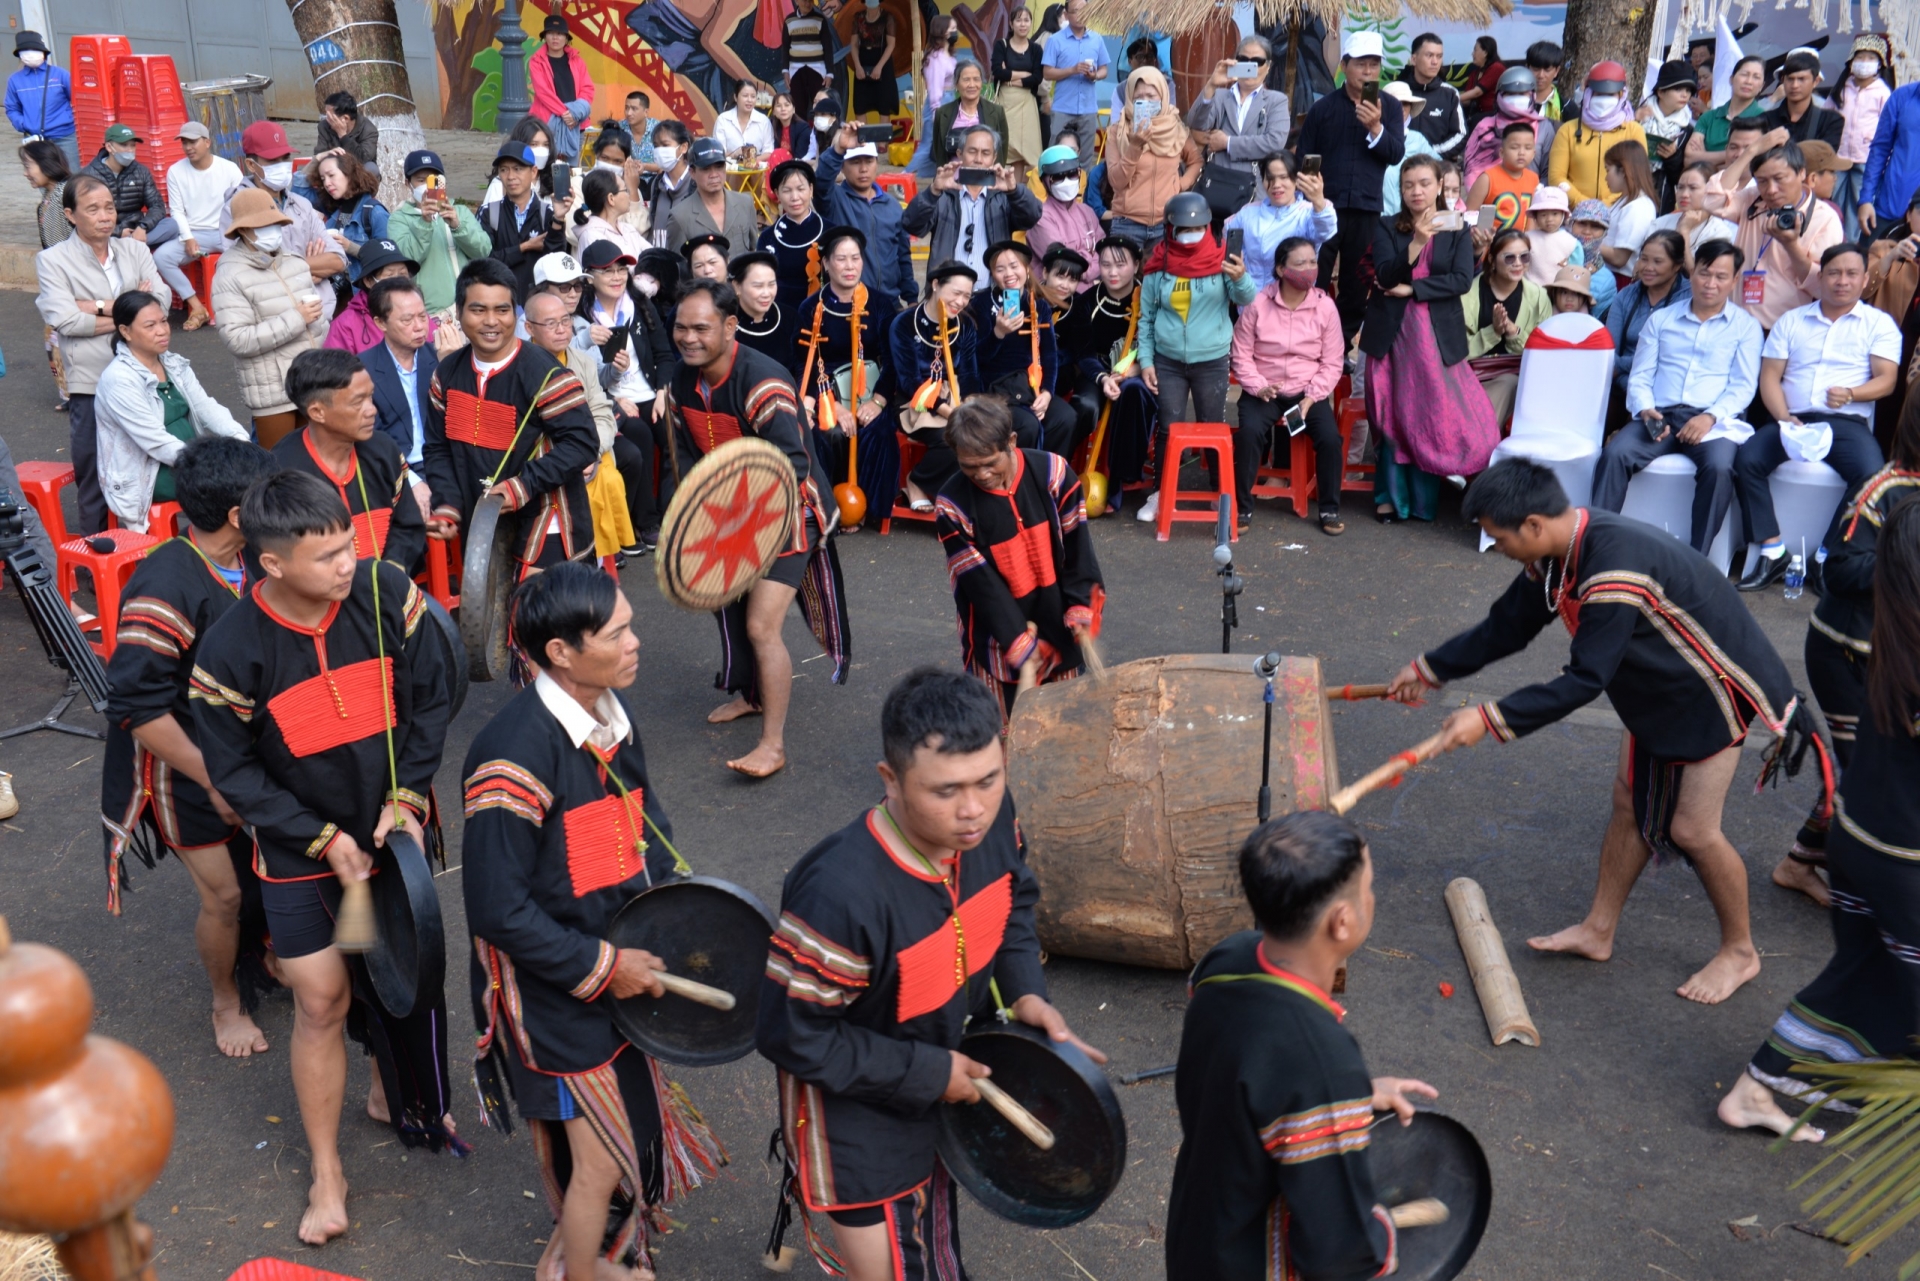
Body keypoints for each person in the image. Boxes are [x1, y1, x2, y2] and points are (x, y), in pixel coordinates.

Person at [1391, 457, 1807, 1004]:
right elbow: (1507, 626)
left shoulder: (1612, 568)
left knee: (1693, 830)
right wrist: (1432, 667)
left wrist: (1491, 718)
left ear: (1534, 525)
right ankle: (1598, 930)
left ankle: (1741, 951)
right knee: (1628, 800)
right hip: (1652, 685)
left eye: (1498, 536)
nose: (1497, 547)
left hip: (1708, 692)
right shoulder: (1560, 553)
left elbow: (1586, 678)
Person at [757, 666, 1101, 1279]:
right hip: (854, 1115)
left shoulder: (992, 821)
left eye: (989, 781)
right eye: (946, 791)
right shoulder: (839, 895)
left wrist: (1025, 992)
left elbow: (1013, 898)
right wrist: (929, 1072)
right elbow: (793, 1036)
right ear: (890, 780)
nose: (973, 811)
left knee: (934, 1248)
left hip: (942, 1068)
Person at [192, 470, 462, 1245]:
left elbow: (432, 697)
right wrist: (320, 836)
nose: (348, 565)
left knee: (397, 975)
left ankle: (392, 1087)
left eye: (349, 545)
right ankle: (327, 1169)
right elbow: (235, 774)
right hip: (302, 851)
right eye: (327, 557)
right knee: (320, 999)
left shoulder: (384, 592)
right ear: (270, 565)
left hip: (391, 831)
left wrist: (408, 794)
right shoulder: (231, 649)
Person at [461, 564, 721, 1280]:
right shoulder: (511, 757)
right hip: (554, 983)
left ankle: (579, 1254)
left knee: (619, 1138)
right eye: (619, 633)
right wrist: (607, 966)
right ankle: (583, 1270)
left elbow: (646, 828)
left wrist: (679, 917)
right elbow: (497, 908)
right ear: (560, 653)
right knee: (602, 1155)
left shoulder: (609, 713)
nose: (637, 643)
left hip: (617, 956)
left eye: (631, 624)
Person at [1717, 496, 1920, 1138]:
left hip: (1861, 840)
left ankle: (1766, 1087)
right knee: (1886, 976)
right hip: (1899, 858)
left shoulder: (1899, 631)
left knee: (1868, 971)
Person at [1165, 809, 1436, 1280]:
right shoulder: (1318, 1058)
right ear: (1342, 922)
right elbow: (1338, 1250)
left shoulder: (1226, 960)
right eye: (1368, 888)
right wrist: (1387, 1243)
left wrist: (1347, 1096)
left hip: (1199, 1232)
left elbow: (1254, 1073)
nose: (1373, 897)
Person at [100, 435, 275, 1061]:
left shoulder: (257, 555)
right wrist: (215, 779)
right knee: (223, 894)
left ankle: (267, 950)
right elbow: (138, 710)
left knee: (274, 860)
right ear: (235, 515)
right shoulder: (166, 585)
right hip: (182, 764)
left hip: (247, 746)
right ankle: (225, 1000)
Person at [668, 279, 850, 777]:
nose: (688, 337)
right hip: (730, 511)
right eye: (681, 327)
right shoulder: (680, 381)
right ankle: (751, 696)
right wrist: (694, 519)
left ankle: (773, 745)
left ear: (730, 326)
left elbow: (791, 466)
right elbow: (686, 457)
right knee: (729, 605)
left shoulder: (762, 381)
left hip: (792, 510)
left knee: (759, 624)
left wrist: (741, 523)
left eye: (701, 328)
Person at [423, 258, 599, 595]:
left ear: (515, 315)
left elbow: (582, 445)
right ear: (458, 313)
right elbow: (438, 446)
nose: (491, 321)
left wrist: (523, 485)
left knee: (542, 623)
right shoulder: (445, 375)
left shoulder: (545, 374)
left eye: (502, 310)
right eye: (478, 310)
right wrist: (447, 502)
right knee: (493, 628)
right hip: (482, 518)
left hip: (546, 517)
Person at [1735, 244, 1898, 589]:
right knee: (1747, 458)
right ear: (1820, 277)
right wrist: (1782, 417)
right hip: (1791, 417)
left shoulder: (1878, 324)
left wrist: (1853, 393)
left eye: (1852, 274)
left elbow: (1887, 380)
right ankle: (1772, 548)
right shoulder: (1792, 320)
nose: (1842, 281)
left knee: (1871, 474)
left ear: (1864, 279)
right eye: (1834, 273)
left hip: (1845, 422)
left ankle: (1826, 554)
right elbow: (1770, 377)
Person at [935, 396, 1104, 711]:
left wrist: (1082, 604)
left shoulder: (1054, 473)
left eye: (990, 463)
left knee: (1064, 727)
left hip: (1058, 620)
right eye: (969, 466)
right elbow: (982, 586)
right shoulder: (952, 504)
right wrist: (1019, 642)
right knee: (1001, 738)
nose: (982, 474)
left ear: (1011, 441)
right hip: (995, 632)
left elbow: (1079, 550)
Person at [1592, 239, 1759, 553]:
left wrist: (1709, 417)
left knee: (1720, 469)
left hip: (1711, 421)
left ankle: (1697, 557)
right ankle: (1597, 543)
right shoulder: (1662, 320)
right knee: (1615, 455)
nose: (1711, 284)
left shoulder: (1745, 328)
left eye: (1721, 277)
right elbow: (1641, 375)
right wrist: (1644, 409)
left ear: (1734, 281)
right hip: (1660, 416)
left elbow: (1743, 386)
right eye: (1704, 273)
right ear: (1691, 273)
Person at [1362, 156, 1498, 523]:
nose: (1416, 191)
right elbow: (1387, 276)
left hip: (1435, 334)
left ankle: (1433, 491)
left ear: (1440, 186)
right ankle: (1390, 497)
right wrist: (1417, 241)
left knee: (1434, 412)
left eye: (1424, 183)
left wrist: (1414, 289)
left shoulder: (1455, 228)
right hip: (1392, 336)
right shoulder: (1388, 226)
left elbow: (1460, 280)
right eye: (1409, 185)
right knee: (1392, 414)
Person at [35, 174, 164, 533]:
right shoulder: (53, 260)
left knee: (151, 464)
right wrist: (134, 311)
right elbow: (65, 320)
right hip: (91, 382)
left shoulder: (135, 249)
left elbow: (163, 303)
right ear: (71, 215)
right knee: (93, 475)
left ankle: (149, 551)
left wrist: (95, 307)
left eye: (109, 207)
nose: (105, 216)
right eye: (93, 209)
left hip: (144, 377)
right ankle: (97, 557)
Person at [1134, 193, 1256, 525]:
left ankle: (1220, 493)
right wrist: (1146, 361)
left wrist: (1240, 276)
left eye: (1198, 227)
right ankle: (1160, 493)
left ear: (1208, 227)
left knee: (1212, 427)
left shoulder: (1221, 260)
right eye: (1183, 228)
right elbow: (1146, 319)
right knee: (1168, 427)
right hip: (1168, 359)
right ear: (1170, 229)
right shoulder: (1157, 266)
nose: (1190, 233)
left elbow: (1247, 299)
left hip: (1211, 359)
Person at [94, 290, 250, 533]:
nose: (162, 330)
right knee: (232, 490)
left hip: (185, 459)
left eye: (164, 321)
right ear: (125, 332)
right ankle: (213, 556)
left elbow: (205, 405)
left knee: (244, 477)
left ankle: (220, 556)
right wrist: (209, 463)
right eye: (150, 325)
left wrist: (239, 440)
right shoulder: (119, 379)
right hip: (149, 473)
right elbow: (155, 442)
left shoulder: (172, 362)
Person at [272, 348, 427, 574]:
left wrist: (391, 570)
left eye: (370, 396)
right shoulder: (281, 472)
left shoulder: (384, 450)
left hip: (387, 587)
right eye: (357, 403)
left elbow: (408, 526)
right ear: (317, 412)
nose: (372, 410)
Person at [1231, 235, 1347, 534]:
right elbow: (1241, 352)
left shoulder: (1325, 307)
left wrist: (1312, 397)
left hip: (1307, 392)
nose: (1308, 269)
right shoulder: (1258, 304)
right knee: (1249, 434)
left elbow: (1332, 361)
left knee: (1330, 439)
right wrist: (1258, 386)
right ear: (1281, 270)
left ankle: (1329, 509)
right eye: (1300, 263)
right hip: (1264, 391)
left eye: (1312, 262)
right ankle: (1242, 509)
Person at [1295, 30, 1405, 346]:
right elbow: (1307, 156)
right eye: (1361, 64)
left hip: (1368, 207)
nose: (1368, 71)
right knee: (1314, 273)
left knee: (1357, 281)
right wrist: (1308, 196)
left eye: (1374, 65)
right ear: (1344, 65)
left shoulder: (1391, 107)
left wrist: (1375, 127)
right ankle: (1308, 339)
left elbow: (1395, 153)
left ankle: (1340, 345)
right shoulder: (1324, 108)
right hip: (1324, 208)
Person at [795, 226, 899, 524]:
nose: (850, 266)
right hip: (827, 392)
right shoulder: (810, 308)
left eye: (855, 258)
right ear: (826, 263)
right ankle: (829, 510)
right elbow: (804, 363)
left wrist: (877, 402)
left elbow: (893, 360)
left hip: (872, 389)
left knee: (876, 430)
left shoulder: (879, 305)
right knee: (827, 434)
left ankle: (871, 510)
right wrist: (834, 405)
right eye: (841, 259)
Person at [211, 188, 328, 448]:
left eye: (275, 223)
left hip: (313, 382)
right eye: (262, 225)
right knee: (280, 469)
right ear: (242, 230)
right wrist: (296, 318)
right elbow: (237, 339)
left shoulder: (296, 262)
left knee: (317, 464)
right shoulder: (229, 274)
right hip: (272, 391)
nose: (272, 230)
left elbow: (319, 323)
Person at [578, 239, 673, 547]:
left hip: (649, 392)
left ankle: (672, 513)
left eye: (621, 269)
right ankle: (644, 523)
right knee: (640, 434)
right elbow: (584, 375)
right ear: (590, 277)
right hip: (612, 399)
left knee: (673, 431)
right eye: (608, 271)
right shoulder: (583, 317)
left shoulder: (640, 305)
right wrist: (615, 399)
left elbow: (664, 354)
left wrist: (662, 392)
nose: (617, 277)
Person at [220, 121, 346, 326]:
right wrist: (305, 268)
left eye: (285, 157)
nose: (282, 164)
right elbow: (242, 275)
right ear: (251, 165)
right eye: (272, 160)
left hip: (321, 317)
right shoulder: (236, 209)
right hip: (275, 322)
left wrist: (289, 268)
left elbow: (338, 260)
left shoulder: (301, 204)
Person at [1717, 141, 1845, 333]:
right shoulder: (1752, 200)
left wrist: (1791, 245)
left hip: (1783, 332)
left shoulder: (1825, 219)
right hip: (1735, 323)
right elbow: (1711, 201)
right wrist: (1751, 151)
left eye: (1779, 179)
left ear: (1802, 173)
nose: (1771, 190)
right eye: (1762, 181)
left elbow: (1823, 288)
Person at [971, 238, 1076, 459]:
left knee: (1065, 417)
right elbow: (976, 359)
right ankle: (1022, 481)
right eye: (1000, 269)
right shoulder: (981, 304)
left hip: (1030, 385)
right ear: (993, 275)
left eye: (1014, 266)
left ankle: (1049, 475)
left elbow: (1049, 354)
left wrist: (1047, 392)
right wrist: (998, 333)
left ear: (1026, 270)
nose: (1008, 273)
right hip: (996, 388)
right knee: (1028, 425)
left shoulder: (1038, 305)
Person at [889, 260, 983, 508]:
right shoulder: (904, 324)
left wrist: (970, 407)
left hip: (954, 398)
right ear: (935, 285)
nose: (961, 302)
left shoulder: (965, 326)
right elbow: (909, 381)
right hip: (914, 402)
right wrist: (949, 412)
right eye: (956, 293)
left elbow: (970, 375)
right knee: (953, 437)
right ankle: (916, 481)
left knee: (984, 432)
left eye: (967, 296)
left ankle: (963, 497)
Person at [903, 124, 1041, 281]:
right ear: (960, 154)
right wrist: (932, 192)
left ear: (994, 158)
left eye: (986, 153)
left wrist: (1014, 191)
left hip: (991, 293)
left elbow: (1032, 217)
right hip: (948, 293)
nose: (978, 159)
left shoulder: (1004, 196)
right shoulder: (943, 195)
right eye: (972, 151)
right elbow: (912, 225)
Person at [156, 122, 245, 331]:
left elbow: (242, 203)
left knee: (252, 258)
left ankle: (241, 307)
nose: (188, 147)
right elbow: (176, 210)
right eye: (184, 142)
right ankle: (197, 307)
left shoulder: (229, 169)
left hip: (228, 232)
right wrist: (188, 237)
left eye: (193, 142)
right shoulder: (176, 171)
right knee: (161, 257)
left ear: (207, 142)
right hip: (196, 234)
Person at [361, 275, 437, 516]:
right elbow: (370, 437)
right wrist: (410, 480)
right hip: (392, 469)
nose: (419, 326)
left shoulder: (440, 358)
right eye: (407, 319)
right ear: (380, 323)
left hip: (441, 464)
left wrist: (447, 371)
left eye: (422, 316)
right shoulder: (363, 369)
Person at [1459, 228, 1550, 428]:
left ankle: (1481, 436)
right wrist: (1493, 332)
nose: (1518, 263)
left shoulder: (1538, 297)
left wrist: (1513, 332)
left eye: (1524, 257)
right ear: (1492, 259)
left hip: (1517, 379)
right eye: (1509, 258)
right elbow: (1457, 350)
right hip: (1469, 376)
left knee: (1508, 383)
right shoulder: (1467, 294)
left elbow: (1543, 354)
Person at [815, 134, 917, 309]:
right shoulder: (835, 200)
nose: (863, 169)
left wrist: (911, 298)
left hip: (890, 304)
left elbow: (902, 255)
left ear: (877, 163)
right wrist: (838, 149)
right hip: (849, 303)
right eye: (855, 162)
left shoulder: (892, 205)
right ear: (842, 167)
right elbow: (821, 182)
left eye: (869, 161)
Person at [1106, 66, 1202, 251]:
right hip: (1127, 223)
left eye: (1151, 96)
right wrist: (1134, 146)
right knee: (1123, 278)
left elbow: (1195, 161)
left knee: (1163, 278)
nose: (1145, 101)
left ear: (1163, 96)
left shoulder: (1175, 127)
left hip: (1166, 223)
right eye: (1138, 97)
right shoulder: (1118, 131)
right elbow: (1116, 182)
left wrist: (1179, 185)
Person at [389, 149, 490, 317]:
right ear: (408, 184)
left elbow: (484, 251)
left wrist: (457, 226)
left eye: (434, 180)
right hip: (431, 314)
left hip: (470, 307)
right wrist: (424, 223)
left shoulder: (460, 211)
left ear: (443, 183)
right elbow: (407, 261)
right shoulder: (398, 219)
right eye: (421, 180)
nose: (427, 187)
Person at [1604, 228, 1690, 418]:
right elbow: (1608, 356)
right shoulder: (1625, 296)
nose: (1648, 267)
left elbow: (1669, 359)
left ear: (1677, 265)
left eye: (1658, 261)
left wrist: (1623, 369)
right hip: (1622, 386)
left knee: (1632, 440)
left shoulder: (1688, 300)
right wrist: (1626, 378)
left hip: (1663, 392)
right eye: (1644, 259)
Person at [1186, 36, 1290, 191]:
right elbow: (1196, 123)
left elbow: (1274, 143)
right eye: (1243, 59)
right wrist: (1211, 86)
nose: (1249, 65)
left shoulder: (1276, 101)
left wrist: (1227, 143)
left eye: (1257, 61)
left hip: (1254, 190)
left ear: (1268, 67)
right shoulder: (1220, 96)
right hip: (1217, 185)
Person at [1224, 153, 1335, 293]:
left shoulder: (1308, 212)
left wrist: (1318, 201)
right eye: (1269, 178)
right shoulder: (1247, 212)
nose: (1276, 185)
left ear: (1296, 178)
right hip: (1253, 301)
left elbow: (1326, 230)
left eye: (1284, 177)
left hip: (1295, 302)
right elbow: (1228, 244)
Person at [1548, 61, 1647, 206]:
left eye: (1610, 94)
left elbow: (1637, 176)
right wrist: (1583, 203)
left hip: (1618, 210)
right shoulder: (1568, 130)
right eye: (1599, 94)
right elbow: (1556, 177)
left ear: (1621, 95)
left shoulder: (1633, 131)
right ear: (1588, 94)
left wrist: (1607, 205)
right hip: (1574, 214)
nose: (1603, 100)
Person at [479, 141, 566, 298]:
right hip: (499, 303)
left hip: (537, 305)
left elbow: (556, 263)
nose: (511, 176)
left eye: (518, 169)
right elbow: (484, 262)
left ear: (533, 172)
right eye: (504, 170)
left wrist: (559, 219)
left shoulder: (548, 214)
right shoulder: (488, 212)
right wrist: (524, 247)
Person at [22, 138, 72, 406]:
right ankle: (71, 393)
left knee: (58, 339)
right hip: (60, 284)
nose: (25, 172)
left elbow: (66, 247)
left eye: (28, 165)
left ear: (46, 164)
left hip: (70, 285)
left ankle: (75, 394)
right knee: (54, 340)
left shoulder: (65, 195)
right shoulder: (48, 200)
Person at [1041, 0, 1109, 171]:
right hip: (1063, 106)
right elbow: (1047, 72)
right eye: (1076, 11)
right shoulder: (1055, 40)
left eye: (1084, 11)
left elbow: (1104, 70)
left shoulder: (1097, 39)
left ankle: (1081, 192)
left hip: (1088, 107)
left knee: (1085, 157)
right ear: (1066, 14)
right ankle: (1052, 190)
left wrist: (1095, 76)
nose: (1080, 15)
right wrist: (1072, 70)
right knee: (1056, 153)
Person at [305, 151, 388, 291]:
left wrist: (350, 247)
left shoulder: (374, 212)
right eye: (323, 178)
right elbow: (298, 192)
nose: (327, 183)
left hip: (364, 298)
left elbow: (387, 260)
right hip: (336, 298)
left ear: (349, 174)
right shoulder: (338, 211)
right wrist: (316, 159)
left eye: (331, 175)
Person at [665, 137, 758, 261]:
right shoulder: (680, 217)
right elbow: (678, 268)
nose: (714, 175)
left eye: (719, 166)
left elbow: (755, 252)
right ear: (692, 172)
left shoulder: (745, 203)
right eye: (706, 168)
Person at [83, 123, 174, 248]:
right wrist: (118, 232)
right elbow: (84, 216)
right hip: (106, 232)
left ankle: (129, 245)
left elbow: (157, 206)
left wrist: (143, 227)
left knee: (171, 225)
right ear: (109, 147)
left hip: (135, 231)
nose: (130, 150)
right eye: (124, 145)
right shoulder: (88, 175)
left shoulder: (141, 171)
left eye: (133, 145)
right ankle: (128, 246)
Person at [324, 237, 420, 355]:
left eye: (402, 274)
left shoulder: (418, 312)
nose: (398, 281)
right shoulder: (345, 326)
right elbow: (334, 371)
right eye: (389, 275)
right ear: (369, 281)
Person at [1462, 65, 1550, 189]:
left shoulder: (1544, 128)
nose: (1516, 98)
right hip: (1489, 198)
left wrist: (1538, 194)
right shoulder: (1484, 127)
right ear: (1499, 96)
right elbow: (1472, 168)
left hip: (1530, 197)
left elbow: (1548, 171)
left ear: (1532, 96)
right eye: (1510, 94)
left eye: (1522, 94)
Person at [759, 157, 826, 316]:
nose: (794, 197)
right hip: (780, 312)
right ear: (777, 194)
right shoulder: (768, 237)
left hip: (821, 312)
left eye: (800, 189)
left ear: (811, 190)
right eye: (787, 190)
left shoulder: (830, 232)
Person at [1027, 145, 1102, 279]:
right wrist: (1091, 262)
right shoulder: (1040, 217)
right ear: (1044, 182)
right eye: (1058, 177)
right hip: (1055, 295)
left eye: (1072, 174)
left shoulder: (1087, 212)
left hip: (1089, 294)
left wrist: (1084, 262)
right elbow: (1063, 264)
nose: (1066, 181)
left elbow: (1104, 254)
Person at [6, 31, 76, 171]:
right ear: (19, 54)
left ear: (43, 52)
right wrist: (23, 124)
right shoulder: (15, 80)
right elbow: (12, 108)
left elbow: (77, 101)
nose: (30, 54)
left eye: (34, 49)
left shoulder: (60, 75)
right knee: (43, 180)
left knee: (72, 177)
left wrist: (68, 119)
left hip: (65, 137)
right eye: (25, 50)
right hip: (35, 140)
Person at [529, 14, 595, 162]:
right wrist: (565, 113)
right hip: (547, 121)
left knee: (573, 169)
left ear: (566, 38)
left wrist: (575, 113)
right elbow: (543, 92)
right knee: (548, 166)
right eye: (551, 33)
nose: (555, 38)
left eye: (559, 34)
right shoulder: (536, 61)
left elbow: (588, 88)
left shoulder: (577, 60)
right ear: (545, 36)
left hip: (575, 122)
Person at [1687, 55, 1767, 172]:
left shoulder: (1764, 119)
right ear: (1731, 79)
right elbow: (1689, 159)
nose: (1749, 81)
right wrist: (1741, 155)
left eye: (1756, 77)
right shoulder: (1709, 117)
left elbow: (1755, 163)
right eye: (1744, 74)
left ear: (1761, 86)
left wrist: (1704, 157)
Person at [1647, 163, 1738, 266]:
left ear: (1710, 190)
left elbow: (1697, 275)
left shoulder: (1720, 233)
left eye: (1693, 188)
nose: (1684, 194)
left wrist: (1684, 231)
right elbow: (1641, 265)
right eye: (1680, 187)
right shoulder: (1659, 223)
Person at [929, 60, 1009, 171]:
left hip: (985, 182)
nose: (972, 85)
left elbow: (1001, 150)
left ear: (982, 83)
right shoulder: (942, 113)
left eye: (976, 79)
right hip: (952, 182)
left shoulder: (996, 112)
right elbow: (939, 152)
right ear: (957, 83)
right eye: (966, 80)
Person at [992, 6, 1046, 169]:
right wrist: (1024, 74)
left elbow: (1037, 77)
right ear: (1011, 23)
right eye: (1018, 20)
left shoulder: (1036, 49)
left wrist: (1011, 77)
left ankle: (1020, 190)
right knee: (1006, 147)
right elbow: (997, 72)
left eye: (1026, 20)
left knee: (1026, 150)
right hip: (1005, 102)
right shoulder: (1002, 45)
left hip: (1026, 103)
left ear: (1031, 23)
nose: (1023, 24)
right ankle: (1007, 186)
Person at [1399, 31, 1468, 157]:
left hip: (1436, 165)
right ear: (1414, 59)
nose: (1435, 62)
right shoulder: (1398, 91)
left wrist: (1429, 152)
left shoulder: (1450, 93)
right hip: (1398, 162)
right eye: (1429, 55)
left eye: (1439, 56)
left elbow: (1460, 135)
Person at [1758, 49, 1844, 150]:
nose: (1795, 85)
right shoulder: (1764, 119)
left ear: (1816, 81)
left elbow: (1824, 158)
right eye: (1790, 79)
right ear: (1783, 80)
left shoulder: (1830, 121)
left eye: (1801, 79)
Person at [1465, 120, 1542, 232]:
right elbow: (1468, 215)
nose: (1521, 152)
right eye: (1514, 147)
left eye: (1528, 148)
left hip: (1522, 245)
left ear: (1533, 154)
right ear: (1501, 152)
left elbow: (1531, 218)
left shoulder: (1533, 179)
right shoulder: (1487, 178)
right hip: (1491, 245)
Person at [1596, 140, 1658, 278]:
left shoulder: (1638, 207)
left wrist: (1586, 243)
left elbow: (1619, 258)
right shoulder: (1625, 200)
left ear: (1623, 171)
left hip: (1619, 280)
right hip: (1606, 274)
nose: (1606, 178)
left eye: (1607, 170)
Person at [909, 15, 960, 179]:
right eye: (951, 29)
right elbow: (935, 89)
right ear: (941, 31)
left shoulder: (949, 56)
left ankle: (928, 177)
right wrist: (936, 112)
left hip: (950, 100)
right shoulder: (935, 58)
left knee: (942, 145)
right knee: (928, 145)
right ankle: (904, 177)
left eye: (955, 29)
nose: (954, 32)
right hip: (939, 104)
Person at [1637, 60, 1698, 188]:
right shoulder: (1636, 117)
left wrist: (1673, 157)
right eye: (1678, 89)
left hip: (1662, 197)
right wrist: (1632, 121)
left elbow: (1680, 177)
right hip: (1632, 186)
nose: (1684, 95)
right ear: (1661, 92)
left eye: (1688, 90)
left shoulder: (1687, 130)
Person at [572, 167, 650, 263]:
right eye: (625, 190)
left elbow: (652, 256)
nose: (628, 195)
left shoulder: (627, 229)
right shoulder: (591, 236)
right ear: (611, 199)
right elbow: (614, 274)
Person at [730, 248, 796, 360]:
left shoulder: (789, 317)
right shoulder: (726, 323)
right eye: (758, 286)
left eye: (771, 285)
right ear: (737, 286)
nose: (766, 293)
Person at [1521, 185, 1582, 284]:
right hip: (1529, 291)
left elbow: (1576, 273)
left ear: (1563, 215)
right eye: (1543, 215)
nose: (1549, 219)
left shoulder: (1571, 243)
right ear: (1535, 216)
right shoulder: (1526, 238)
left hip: (1558, 292)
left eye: (1555, 214)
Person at [851, 0, 900, 120]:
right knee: (860, 105)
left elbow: (891, 44)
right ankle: (863, 138)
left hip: (882, 62)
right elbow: (854, 44)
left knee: (884, 105)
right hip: (863, 61)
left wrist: (879, 67)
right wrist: (857, 66)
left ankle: (883, 139)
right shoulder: (858, 17)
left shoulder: (887, 17)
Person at [647, 119, 697, 234]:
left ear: (683, 147)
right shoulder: (657, 184)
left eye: (665, 145)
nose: (659, 151)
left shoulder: (696, 181)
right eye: (656, 146)